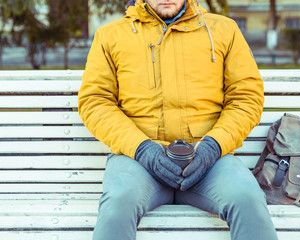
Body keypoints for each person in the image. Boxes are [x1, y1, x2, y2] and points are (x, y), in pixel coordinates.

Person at [78, 0, 278, 239]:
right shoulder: (110, 36)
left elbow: (246, 98)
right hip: (138, 161)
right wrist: (142, 149)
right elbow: (95, 102)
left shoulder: (223, 30)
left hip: (209, 160)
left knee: (248, 199)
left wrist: (214, 146)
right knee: (118, 202)